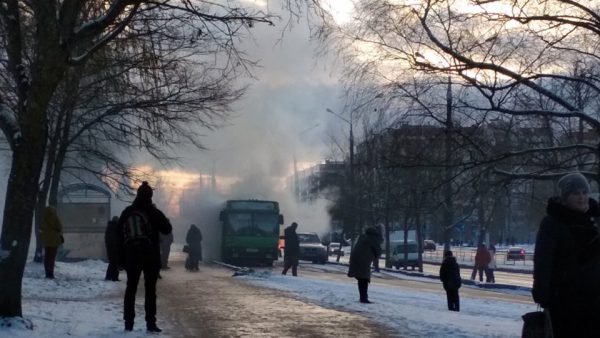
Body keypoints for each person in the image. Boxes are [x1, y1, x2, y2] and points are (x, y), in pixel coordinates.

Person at [533, 172, 600, 338]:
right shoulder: (553, 223)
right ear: (565, 197)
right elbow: (543, 261)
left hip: (596, 300)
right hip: (566, 301)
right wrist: (543, 294)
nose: (581, 197)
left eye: (584, 192)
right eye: (575, 193)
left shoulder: (596, 220)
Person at [117, 181, 172, 333]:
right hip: (150, 257)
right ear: (150, 196)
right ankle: (151, 324)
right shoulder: (153, 212)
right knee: (150, 291)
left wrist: (120, 259)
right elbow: (167, 229)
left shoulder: (127, 212)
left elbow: (118, 236)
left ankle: (128, 323)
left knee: (131, 289)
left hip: (132, 257)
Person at [347, 226, 382, 303]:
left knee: (361, 278)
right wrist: (376, 257)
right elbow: (378, 250)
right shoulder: (373, 238)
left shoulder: (363, 236)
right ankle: (363, 298)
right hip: (363, 260)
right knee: (364, 278)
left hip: (355, 258)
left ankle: (362, 297)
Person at [41, 206, 63, 279]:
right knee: (52, 257)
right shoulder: (55, 218)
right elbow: (59, 227)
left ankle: (47, 273)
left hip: (46, 240)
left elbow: (41, 228)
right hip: (54, 240)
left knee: (47, 257)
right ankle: (51, 274)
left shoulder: (44, 218)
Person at [104, 216, 121, 281]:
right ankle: (114, 277)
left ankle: (109, 277)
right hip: (114, 249)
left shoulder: (110, 228)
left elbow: (108, 239)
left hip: (110, 248)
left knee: (112, 263)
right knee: (115, 263)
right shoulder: (115, 228)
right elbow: (115, 240)